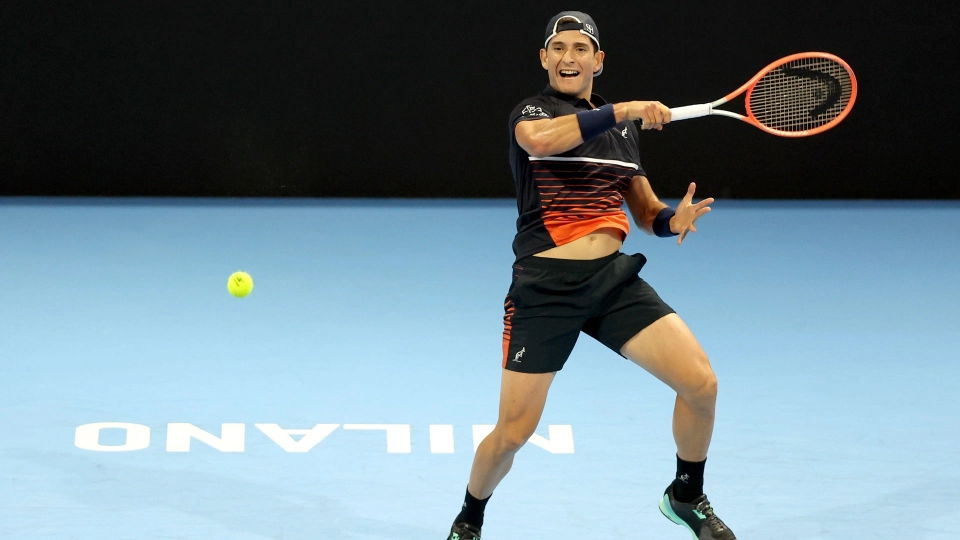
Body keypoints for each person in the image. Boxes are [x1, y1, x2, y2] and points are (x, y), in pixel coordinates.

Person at [445, 11, 735, 540]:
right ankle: (469, 519)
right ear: (544, 58)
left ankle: (686, 495)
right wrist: (621, 109)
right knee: (513, 433)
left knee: (701, 384)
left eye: (580, 48)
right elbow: (540, 142)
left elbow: (644, 211)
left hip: (611, 283)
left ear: (597, 61)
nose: (568, 57)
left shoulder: (622, 133)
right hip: (544, 290)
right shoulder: (533, 112)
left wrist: (673, 220)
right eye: (558, 48)